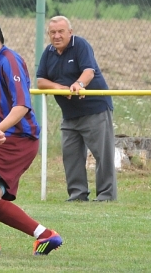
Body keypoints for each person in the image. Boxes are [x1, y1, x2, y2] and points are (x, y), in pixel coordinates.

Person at [0, 16, 63, 256]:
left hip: (18, 139)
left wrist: (1, 127)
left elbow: (22, 105)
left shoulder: (11, 61)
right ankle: (46, 235)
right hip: (6, 139)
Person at [36, 15, 117, 202]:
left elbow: (89, 71)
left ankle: (106, 197)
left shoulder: (80, 45)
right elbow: (40, 81)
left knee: (102, 155)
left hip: (95, 109)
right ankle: (78, 195)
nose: (56, 36)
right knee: (70, 156)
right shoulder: (48, 52)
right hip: (69, 115)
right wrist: (59, 88)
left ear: (70, 32)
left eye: (60, 32)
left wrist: (78, 84)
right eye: (52, 32)